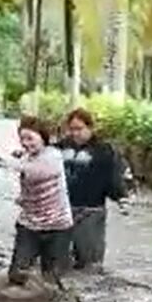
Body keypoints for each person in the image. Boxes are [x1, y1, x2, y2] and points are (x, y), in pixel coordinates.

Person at [1, 116, 72, 299]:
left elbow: (36, 172)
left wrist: (4, 163)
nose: (26, 143)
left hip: (57, 227)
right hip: (29, 225)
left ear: (43, 137)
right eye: (22, 139)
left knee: (54, 281)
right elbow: (27, 172)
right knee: (17, 276)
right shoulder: (27, 157)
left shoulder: (53, 156)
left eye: (30, 138)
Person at [58, 108, 127, 270]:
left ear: (90, 128)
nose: (75, 133)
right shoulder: (60, 147)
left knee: (90, 263)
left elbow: (114, 176)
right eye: (72, 129)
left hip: (91, 211)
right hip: (63, 210)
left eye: (79, 129)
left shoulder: (104, 151)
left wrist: (121, 197)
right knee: (60, 261)